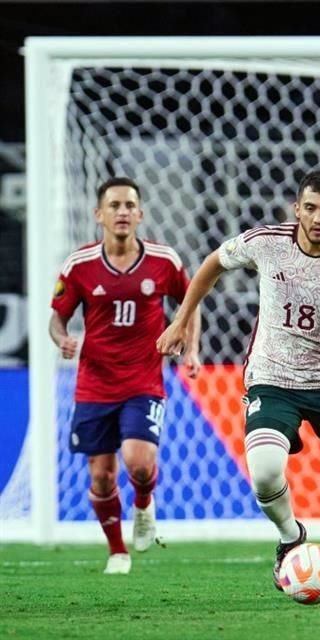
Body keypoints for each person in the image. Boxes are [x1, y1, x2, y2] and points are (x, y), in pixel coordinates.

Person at [156, 169, 320, 592]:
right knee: (264, 472)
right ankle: (290, 536)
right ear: (296, 208)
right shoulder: (266, 243)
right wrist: (182, 322)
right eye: (310, 208)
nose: (318, 218)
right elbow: (211, 266)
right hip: (272, 377)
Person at [49, 177, 200, 575]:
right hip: (95, 384)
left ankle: (144, 504)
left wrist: (191, 348)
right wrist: (63, 339)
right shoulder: (78, 266)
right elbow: (56, 320)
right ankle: (118, 551)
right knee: (101, 477)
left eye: (129, 205)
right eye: (114, 205)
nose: (122, 211)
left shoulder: (163, 261)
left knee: (138, 463)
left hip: (143, 381)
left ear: (140, 213)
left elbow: (190, 302)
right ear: (99, 214)